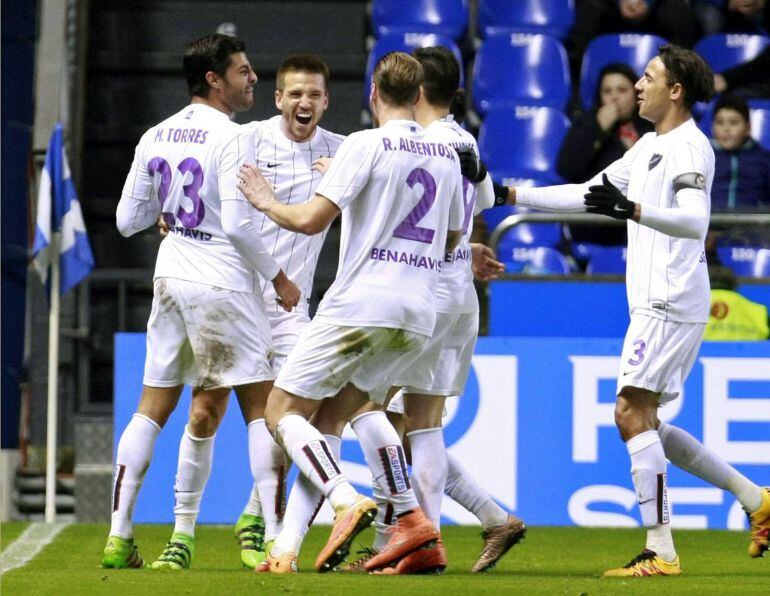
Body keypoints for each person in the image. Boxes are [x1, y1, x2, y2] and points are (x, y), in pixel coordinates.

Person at [482, 44, 770, 576]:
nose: (638, 84)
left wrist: (633, 208)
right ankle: (756, 499)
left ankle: (661, 551)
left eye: (649, 76)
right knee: (647, 423)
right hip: (657, 300)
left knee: (628, 414)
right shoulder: (649, 147)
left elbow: (693, 221)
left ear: (675, 91)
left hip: (669, 297)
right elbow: (590, 194)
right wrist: (509, 192)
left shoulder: (688, 148)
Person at [237, 51, 466, 574]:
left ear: (372, 94)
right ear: (417, 96)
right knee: (337, 417)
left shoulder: (364, 144)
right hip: (418, 313)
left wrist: (266, 200)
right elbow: (453, 234)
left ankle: (345, 497)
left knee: (282, 413)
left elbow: (311, 221)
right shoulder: (445, 154)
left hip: (360, 304)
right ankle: (295, 547)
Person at [102, 33, 300, 570]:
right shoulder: (232, 138)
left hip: (171, 276)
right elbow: (237, 224)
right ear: (214, 79)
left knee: (152, 407)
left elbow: (127, 221)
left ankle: (119, 536)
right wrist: (279, 278)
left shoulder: (155, 134)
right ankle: (279, 539)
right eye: (243, 71)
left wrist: (170, 215)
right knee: (264, 409)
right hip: (222, 280)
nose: (252, 78)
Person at [339, 46, 525, 576]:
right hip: (457, 292)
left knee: (374, 412)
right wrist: (467, 249)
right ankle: (490, 518)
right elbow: (484, 200)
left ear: (416, 90)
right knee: (412, 424)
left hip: (424, 291)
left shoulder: (421, 143)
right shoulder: (464, 139)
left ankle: (409, 543)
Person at [229, 54, 346, 570]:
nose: (305, 102)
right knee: (226, 414)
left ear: (326, 100)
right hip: (240, 299)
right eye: (295, 93)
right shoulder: (248, 140)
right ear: (278, 98)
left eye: (314, 95)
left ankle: (260, 516)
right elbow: (212, 200)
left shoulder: (344, 152)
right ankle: (206, 530)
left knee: (300, 414)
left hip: (295, 310)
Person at [557, 63, 655, 247]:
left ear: (636, 94)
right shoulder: (588, 124)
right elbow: (567, 169)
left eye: (622, 90)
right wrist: (598, 131)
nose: (614, 97)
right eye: (607, 91)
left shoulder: (651, 126)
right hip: (598, 222)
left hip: (643, 220)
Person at [705, 265, 770, 340]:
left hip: (699, 351)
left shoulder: (692, 307)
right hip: (749, 351)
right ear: (735, 285)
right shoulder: (758, 311)